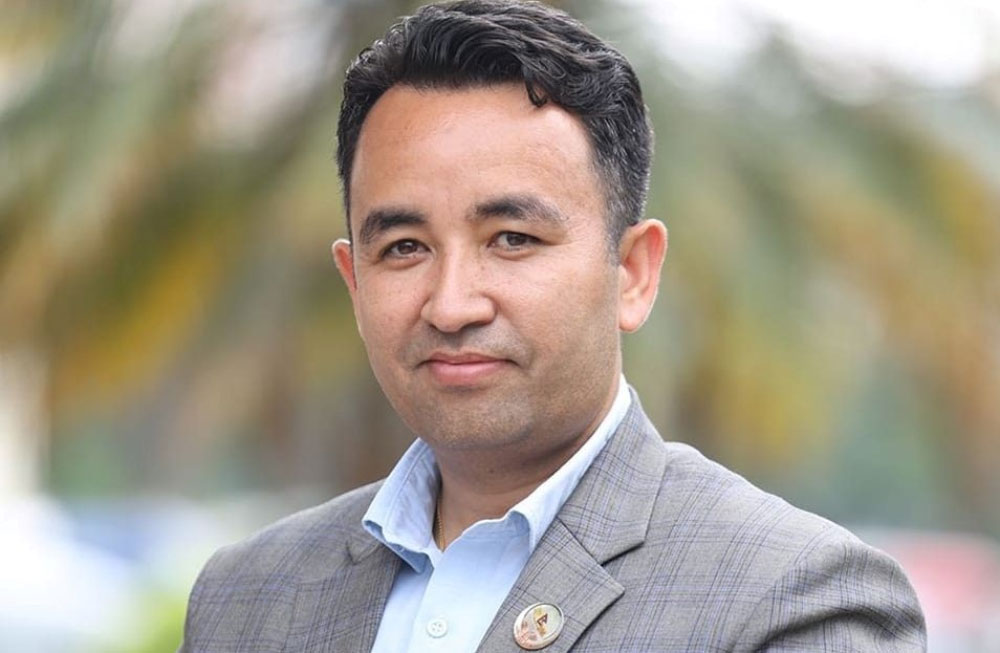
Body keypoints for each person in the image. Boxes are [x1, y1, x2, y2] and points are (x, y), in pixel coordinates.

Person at [180, 1, 926, 651]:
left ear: (632, 272)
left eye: (513, 239)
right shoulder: (247, 598)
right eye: (404, 247)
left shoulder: (791, 599)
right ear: (353, 280)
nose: (451, 304)